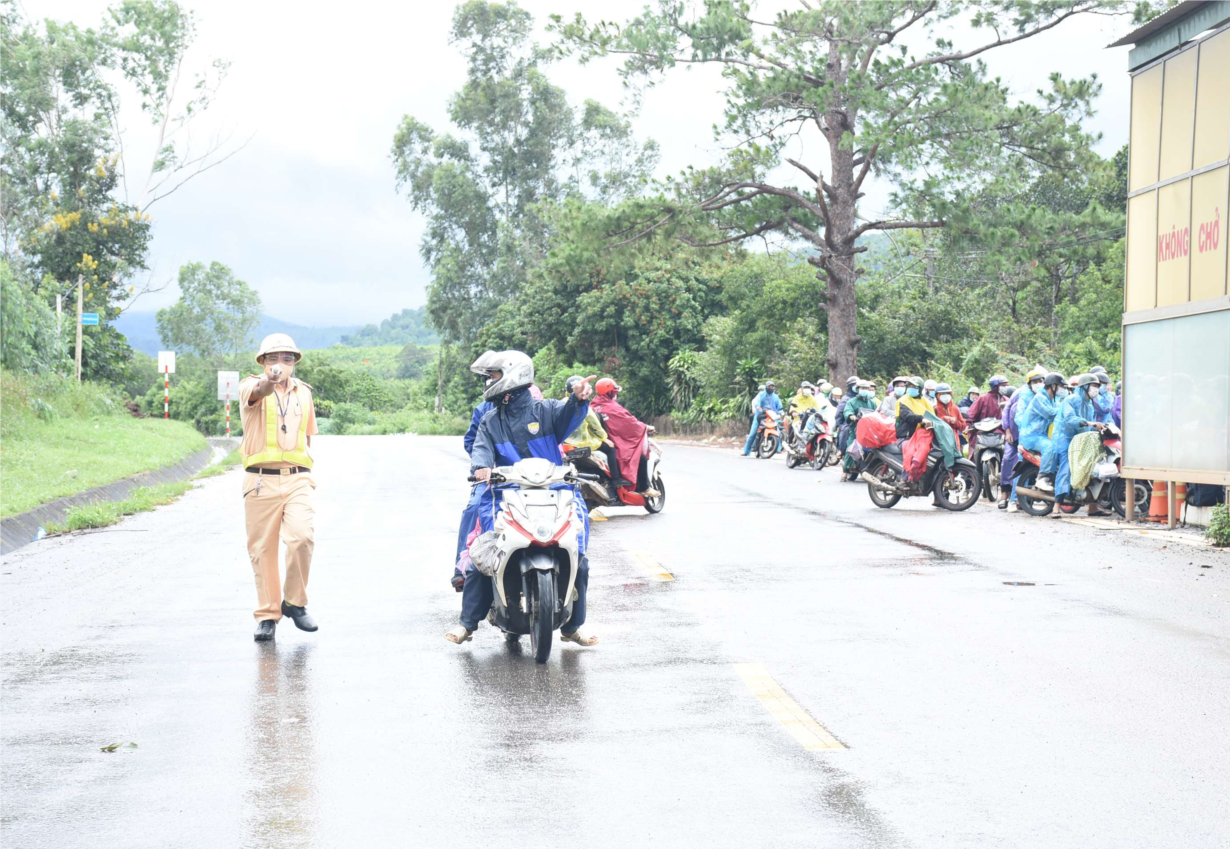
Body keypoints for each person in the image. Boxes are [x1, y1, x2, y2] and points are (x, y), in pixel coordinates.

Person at [446, 351, 597, 646]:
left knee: (578, 556)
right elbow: (480, 448)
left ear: (513, 374)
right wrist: (481, 468)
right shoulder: (490, 421)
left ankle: (572, 626)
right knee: (487, 549)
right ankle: (468, 623)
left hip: (554, 491)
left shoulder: (547, 411)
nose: (489, 381)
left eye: (493, 375)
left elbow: (568, 415)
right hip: (506, 493)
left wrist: (579, 400)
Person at [239, 334, 319, 643]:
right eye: (273, 359)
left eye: (287, 359)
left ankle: (294, 603)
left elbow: (308, 436)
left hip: (298, 478)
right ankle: (268, 615)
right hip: (260, 480)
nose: (280, 365)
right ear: (262, 362)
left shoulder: (304, 394)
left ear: (295, 362)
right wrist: (269, 381)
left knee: (302, 538)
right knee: (262, 550)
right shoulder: (252, 386)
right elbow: (262, 389)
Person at [1038, 373, 1102, 511]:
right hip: (1064, 439)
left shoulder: (1089, 405)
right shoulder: (1071, 400)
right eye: (1094, 386)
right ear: (1085, 387)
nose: (1096, 389)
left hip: (1080, 440)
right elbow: (1070, 419)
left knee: (1091, 464)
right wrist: (1090, 423)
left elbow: (1089, 425)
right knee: (1066, 468)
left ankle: (1093, 507)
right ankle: (1056, 506)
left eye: (1098, 386)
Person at [591, 378, 658, 494]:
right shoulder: (612, 408)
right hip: (613, 442)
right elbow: (630, 424)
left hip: (596, 441)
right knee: (641, 458)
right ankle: (644, 488)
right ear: (610, 392)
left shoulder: (593, 405)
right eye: (614, 392)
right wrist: (646, 427)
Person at [1000, 367, 1046, 510]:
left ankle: (1023, 499)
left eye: (1041, 381)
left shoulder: (1043, 395)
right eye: (1036, 381)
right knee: (1010, 460)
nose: (1039, 384)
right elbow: (1010, 410)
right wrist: (1007, 430)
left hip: (1033, 436)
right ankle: (1007, 495)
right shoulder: (1020, 394)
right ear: (1029, 383)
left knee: (1031, 464)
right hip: (1016, 434)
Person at [1021, 373, 1067, 506]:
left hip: (1041, 435)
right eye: (1061, 386)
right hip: (1031, 436)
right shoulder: (1039, 398)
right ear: (1053, 386)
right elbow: (1051, 413)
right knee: (1050, 447)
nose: (1063, 389)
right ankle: (1042, 477)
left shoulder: (1052, 399)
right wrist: (1065, 407)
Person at [742, 379, 783, 456]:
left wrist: (781, 414)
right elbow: (756, 402)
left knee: (778, 432)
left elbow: (780, 407)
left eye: (772, 387)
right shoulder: (761, 395)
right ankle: (746, 451)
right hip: (760, 416)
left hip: (771, 417)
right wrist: (758, 407)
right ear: (766, 387)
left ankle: (778, 448)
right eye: (769, 386)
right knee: (752, 433)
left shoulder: (776, 397)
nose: (771, 388)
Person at [894, 376, 933, 441]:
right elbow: (908, 416)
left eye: (914, 387)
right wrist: (922, 419)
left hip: (921, 435)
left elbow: (931, 416)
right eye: (909, 386)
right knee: (916, 450)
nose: (910, 388)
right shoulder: (903, 401)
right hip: (906, 437)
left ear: (920, 389)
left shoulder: (924, 401)